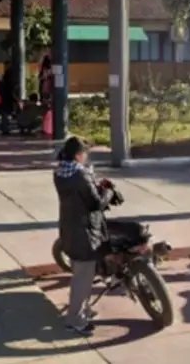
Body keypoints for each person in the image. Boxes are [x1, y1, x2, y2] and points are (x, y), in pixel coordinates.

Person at [54, 136, 121, 336]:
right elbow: (95, 203)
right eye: (84, 153)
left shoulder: (60, 172)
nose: (86, 156)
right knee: (83, 279)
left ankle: (85, 310)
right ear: (78, 155)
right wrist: (108, 192)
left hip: (69, 228)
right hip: (84, 233)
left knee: (81, 272)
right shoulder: (80, 175)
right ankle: (75, 320)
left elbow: (80, 195)